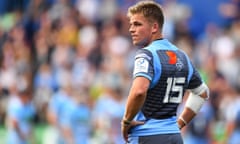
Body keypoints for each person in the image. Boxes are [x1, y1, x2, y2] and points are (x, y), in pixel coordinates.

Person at [121, 1, 210, 144]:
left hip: (147, 135)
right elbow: (202, 93)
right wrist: (180, 123)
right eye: (131, 24)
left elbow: (139, 91)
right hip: (174, 137)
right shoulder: (182, 57)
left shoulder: (146, 55)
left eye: (137, 24)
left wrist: (126, 121)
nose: (131, 29)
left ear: (154, 27)